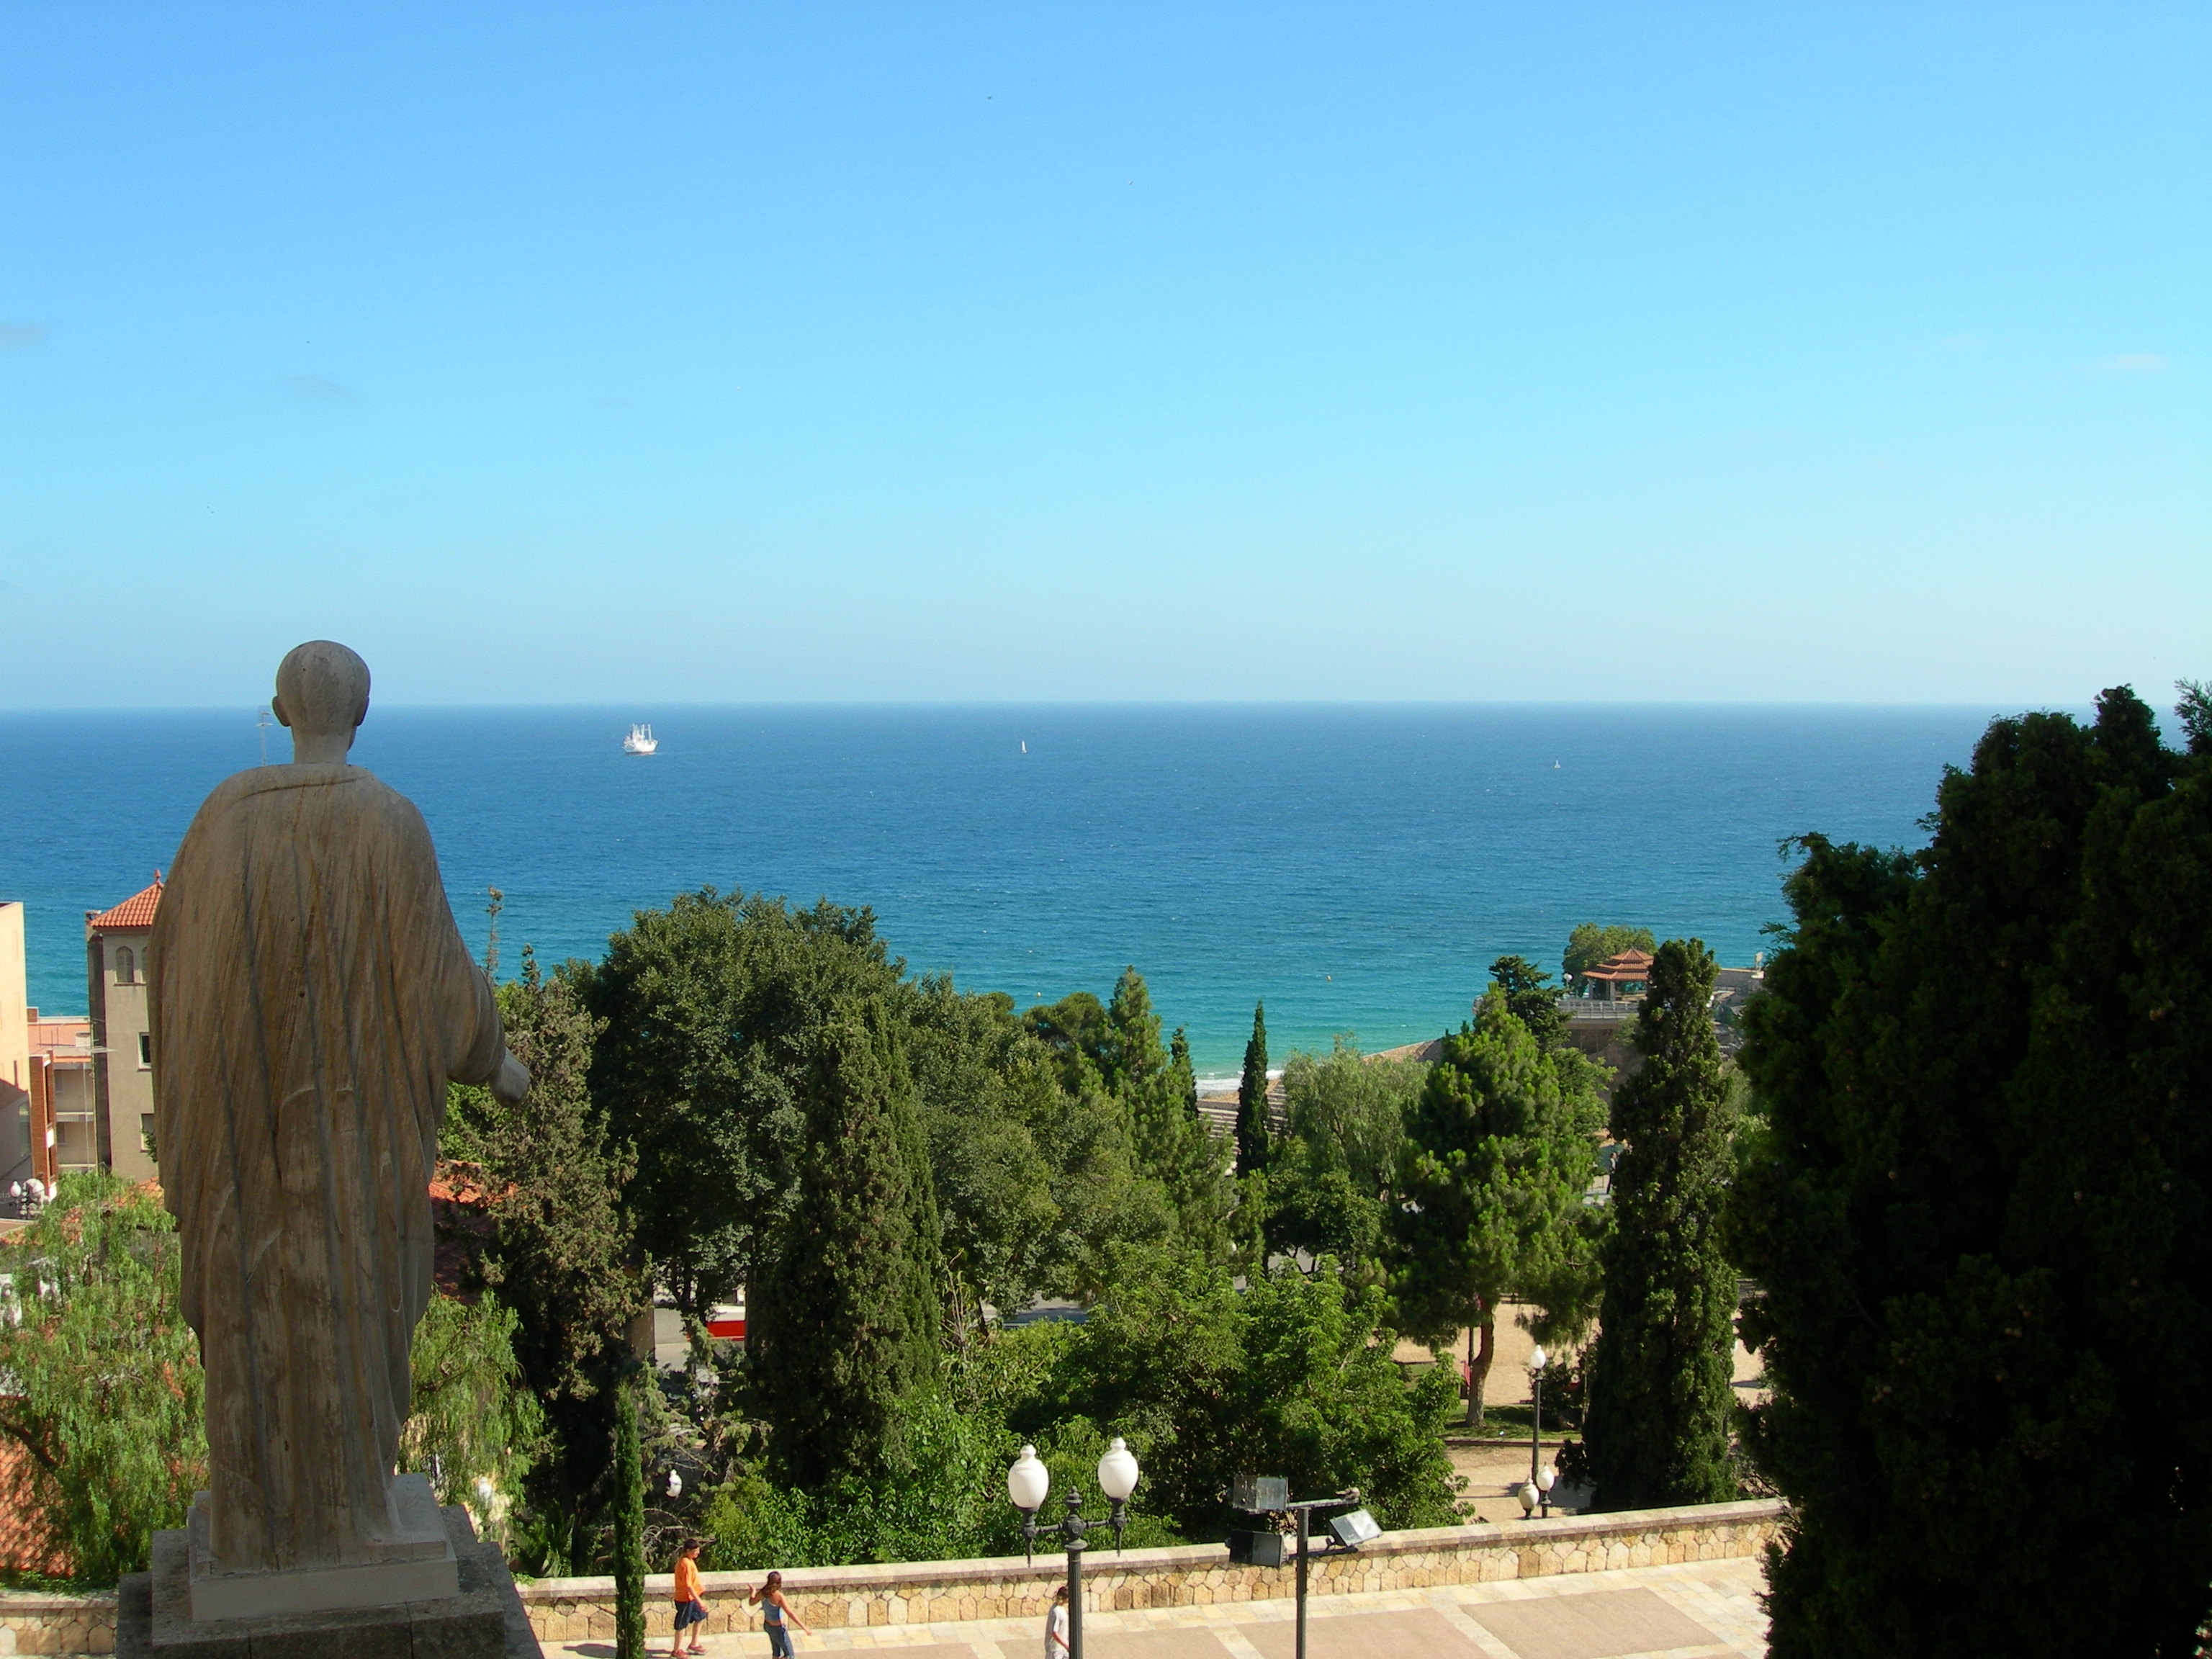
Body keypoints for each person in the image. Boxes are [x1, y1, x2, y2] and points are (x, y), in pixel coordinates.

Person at [151, 641, 530, 1573]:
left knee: (252, 1313)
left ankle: (257, 1523)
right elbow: (436, 977)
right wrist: (500, 1060)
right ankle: (349, 1517)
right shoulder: (386, 822)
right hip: (349, 1140)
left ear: (283, 713)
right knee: (349, 1313)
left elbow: (171, 972)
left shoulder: (220, 821)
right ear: (361, 714)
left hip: (242, 1137)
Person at [749, 1570, 810, 1657]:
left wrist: (753, 1592)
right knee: (790, 1655)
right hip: (778, 1629)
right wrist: (804, 1628)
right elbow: (790, 1613)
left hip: (768, 1626)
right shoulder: (779, 1596)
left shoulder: (763, 1592)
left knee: (776, 1652)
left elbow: (751, 1603)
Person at [671, 1541, 708, 1656]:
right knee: (682, 1624)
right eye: (695, 1551)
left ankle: (694, 1644)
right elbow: (688, 1586)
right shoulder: (685, 1563)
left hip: (693, 1598)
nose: (698, 1553)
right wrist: (700, 1601)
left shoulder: (690, 1561)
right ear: (688, 1551)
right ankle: (677, 1650)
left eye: (698, 1550)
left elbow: (693, 1580)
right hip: (685, 1599)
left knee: (700, 1617)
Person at [1045, 1584, 1071, 1658]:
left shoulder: (1060, 1608)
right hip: (1055, 1650)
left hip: (1062, 1648)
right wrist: (1066, 1645)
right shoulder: (1056, 1611)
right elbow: (1054, 1633)